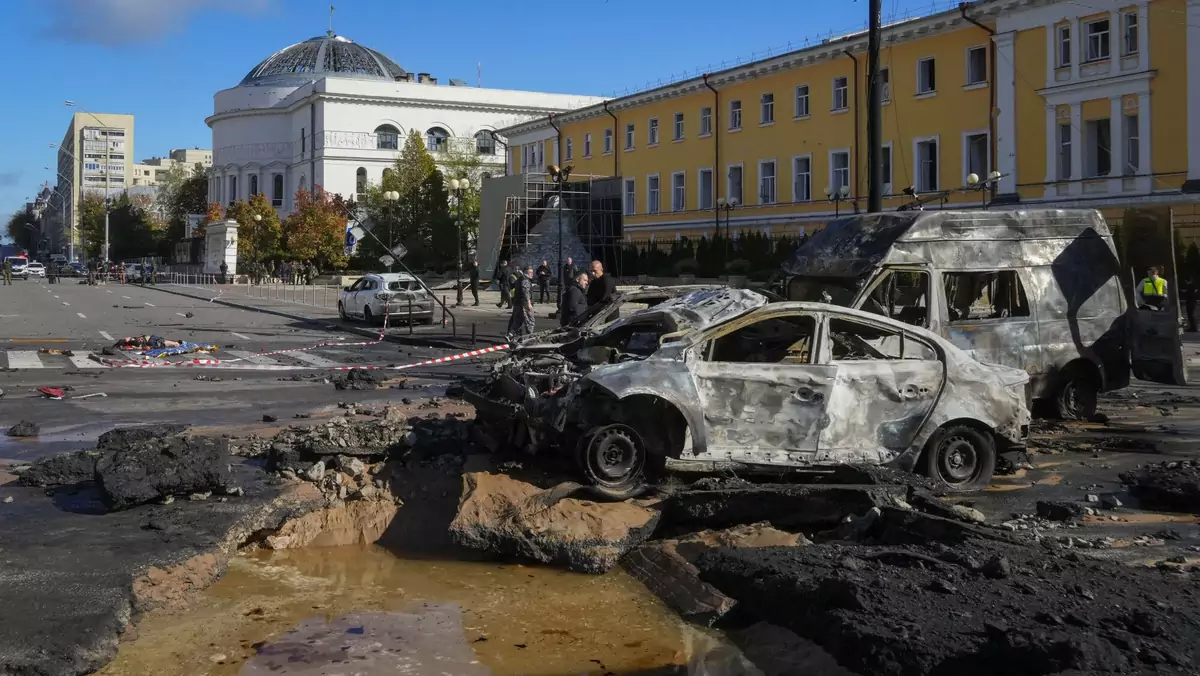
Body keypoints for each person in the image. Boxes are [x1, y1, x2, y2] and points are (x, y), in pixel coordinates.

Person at [507, 265, 536, 338]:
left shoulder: (519, 279)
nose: (532, 274)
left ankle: (510, 335)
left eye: (532, 272)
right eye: (530, 272)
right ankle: (530, 337)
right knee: (530, 321)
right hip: (524, 304)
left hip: (517, 303)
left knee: (518, 321)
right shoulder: (525, 280)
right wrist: (529, 304)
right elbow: (525, 292)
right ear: (526, 272)